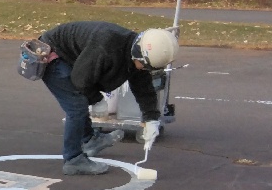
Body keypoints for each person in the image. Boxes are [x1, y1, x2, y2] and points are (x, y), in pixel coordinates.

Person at [38, 21, 178, 175]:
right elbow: (80, 79)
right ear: (139, 54)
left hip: (75, 59)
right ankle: (73, 159)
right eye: (145, 66)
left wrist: (151, 118)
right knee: (77, 107)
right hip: (52, 55)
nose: (145, 70)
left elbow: (143, 87)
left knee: (80, 101)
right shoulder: (106, 47)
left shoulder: (137, 51)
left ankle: (90, 140)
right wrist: (97, 100)